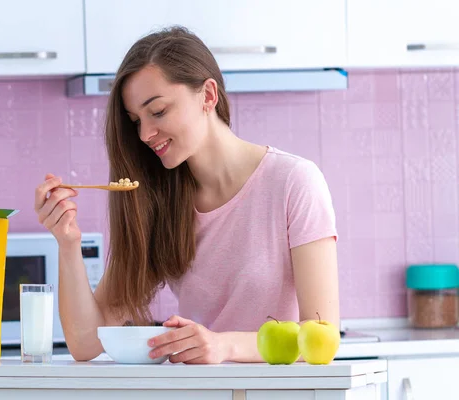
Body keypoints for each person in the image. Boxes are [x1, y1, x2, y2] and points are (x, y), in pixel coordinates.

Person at [34, 26, 339, 364]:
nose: (146, 134)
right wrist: (67, 244)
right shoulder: (159, 200)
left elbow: (322, 336)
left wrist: (224, 346)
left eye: (158, 111)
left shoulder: (294, 183)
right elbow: (85, 342)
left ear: (208, 96)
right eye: (136, 121)